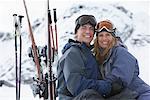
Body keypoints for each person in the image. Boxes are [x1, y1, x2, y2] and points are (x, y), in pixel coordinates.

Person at [57, 15, 115, 100]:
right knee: (90, 95)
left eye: (91, 28)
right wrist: (105, 86)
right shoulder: (72, 53)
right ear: (76, 32)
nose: (88, 31)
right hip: (76, 97)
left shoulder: (88, 53)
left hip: (90, 96)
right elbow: (76, 86)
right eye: (83, 28)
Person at [93, 20, 150, 100]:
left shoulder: (120, 52)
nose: (104, 38)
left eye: (108, 35)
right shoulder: (99, 58)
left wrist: (99, 87)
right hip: (125, 96)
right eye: (101, 35)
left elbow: (119, 79)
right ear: (97, 38)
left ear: (113, 37)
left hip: (140, 94)